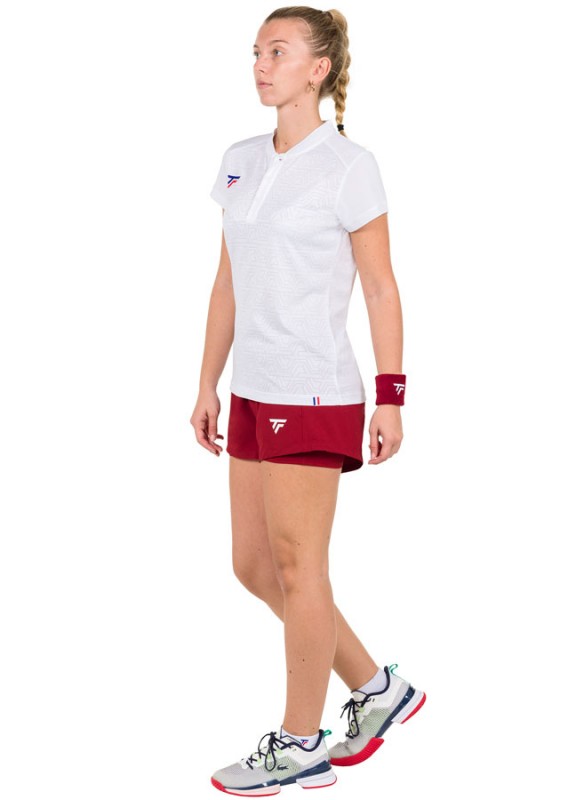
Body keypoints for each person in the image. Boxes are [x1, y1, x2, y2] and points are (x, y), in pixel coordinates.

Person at [190, 6, 425, 795]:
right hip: (252, 390)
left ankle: (302, 746)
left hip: (315, 389)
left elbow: (382, 288)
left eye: (278, 52)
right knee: (255, 566)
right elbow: (227, 282)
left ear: (318, 69)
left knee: (300, 567)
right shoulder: (239, 161)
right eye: (256, 52)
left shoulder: (349, 167)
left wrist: (391, 396)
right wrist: (207, 383)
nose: (261, 65)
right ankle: (378, 689)